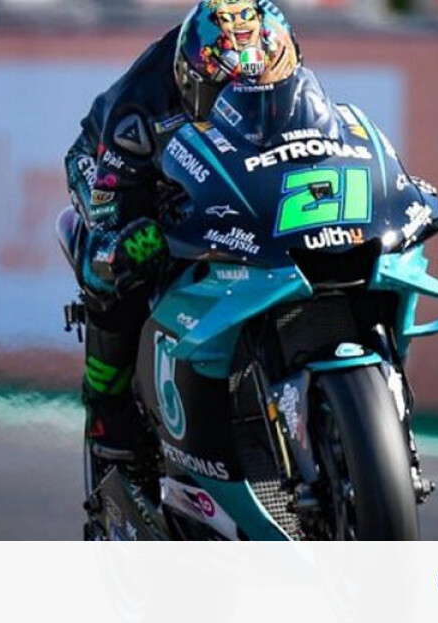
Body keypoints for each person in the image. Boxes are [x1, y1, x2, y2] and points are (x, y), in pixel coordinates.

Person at [62, 0, 302, 476]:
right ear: (192, 81)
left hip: (221, 170)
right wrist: (133, 234)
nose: (251, 108)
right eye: (227, 95)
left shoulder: (276, 60)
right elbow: (108, 226)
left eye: (266, 91)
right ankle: (107, 412)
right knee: (119, 259)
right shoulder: (139, 110)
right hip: (117, 167)